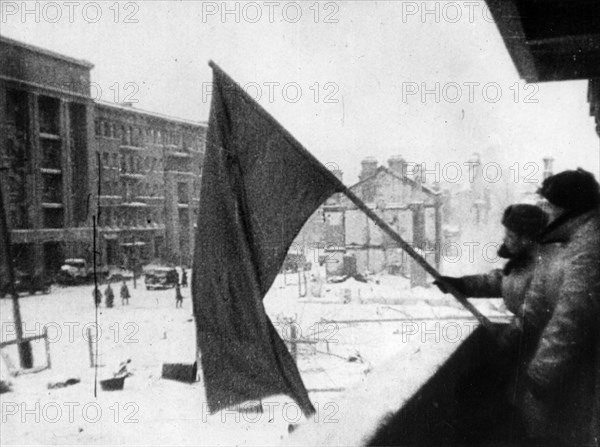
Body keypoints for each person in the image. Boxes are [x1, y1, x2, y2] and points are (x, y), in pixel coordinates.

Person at [514, 168, 600, 445]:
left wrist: (540, 376)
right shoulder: (577, 239)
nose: (547, 217)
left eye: (551, 209)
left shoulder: (589, 245)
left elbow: (573, 314)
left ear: (568, 210)